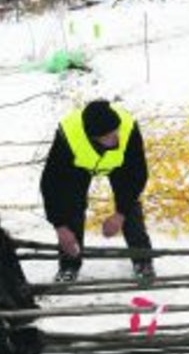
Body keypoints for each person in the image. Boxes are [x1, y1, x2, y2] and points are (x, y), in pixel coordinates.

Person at [40, 99, 154, 283]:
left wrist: (120, 214)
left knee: (129, 203)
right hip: (79, 166)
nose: (117, 137)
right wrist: (60, 225)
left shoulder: (128, 129)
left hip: (121, 165)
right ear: (93, 138)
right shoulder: (68, 136)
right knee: (70, 203)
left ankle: (143, 261)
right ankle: (69, 265)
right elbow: (51, 183)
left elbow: (138, 175)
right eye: (110, 136)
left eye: (116, 130)